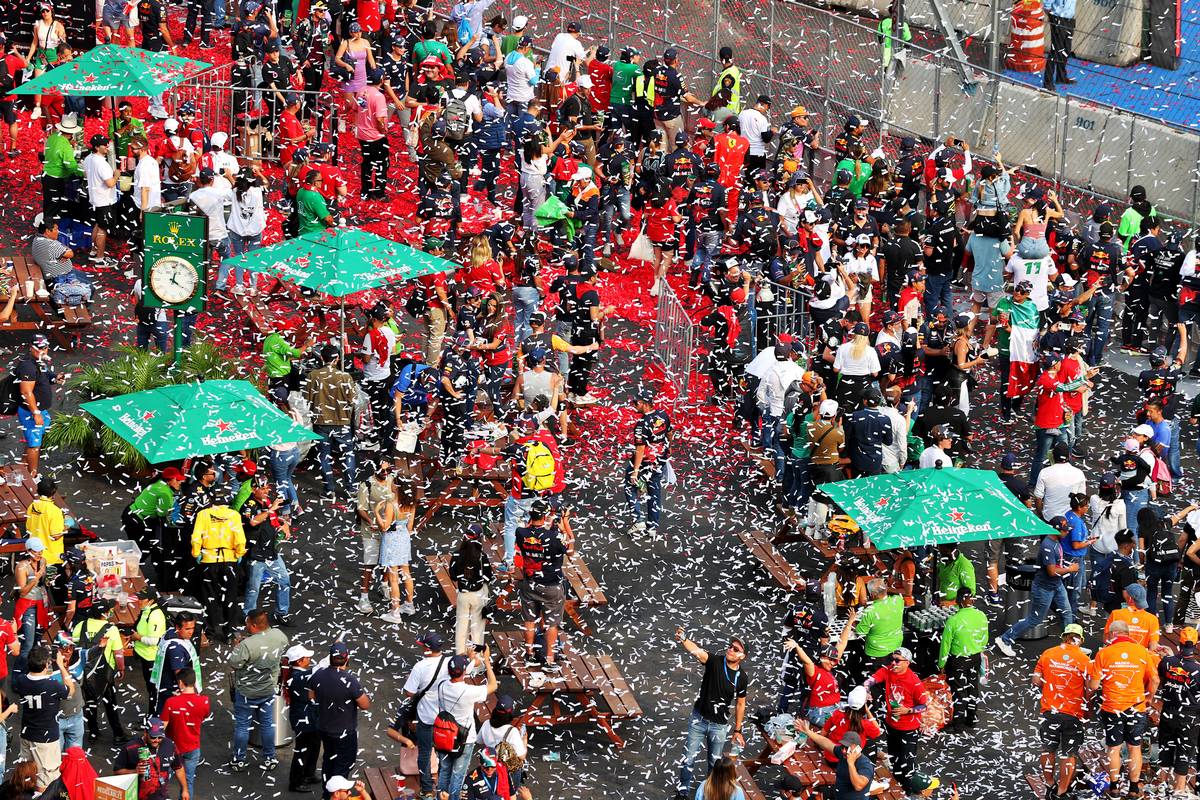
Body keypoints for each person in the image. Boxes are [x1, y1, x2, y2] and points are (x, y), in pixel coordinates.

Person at [672, 629, 749, 800]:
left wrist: (738, 730)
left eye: (736, 649)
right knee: (688, 758)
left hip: (719, 726)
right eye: (731, 646)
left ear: (742, 656)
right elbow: (697, 652)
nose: (731, 649)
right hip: (698, 720)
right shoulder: (715, 661)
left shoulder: (741, 678)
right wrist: (684, 639)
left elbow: (740, 703)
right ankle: (682, 793)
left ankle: (709, 795)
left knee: (715, 765)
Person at [1088, 619, 1158, 798]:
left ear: (1112, 634)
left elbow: (1094, 686)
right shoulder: (1142, 651)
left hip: (1112, 707)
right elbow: (1155, 680)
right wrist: (1149, 697)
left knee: (1114, 749)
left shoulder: (1104, 653)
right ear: (1128, 633)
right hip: (1136, 706)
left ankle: (1114, 788)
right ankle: (1134, 789)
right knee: (1135, 747)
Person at [995, 513, 1078, 656]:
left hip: (1056, 585)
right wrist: (1069, 569)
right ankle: (1005, 639)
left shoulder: (1056, 542)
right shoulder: (1047, 545)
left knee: (1067, 613)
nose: (1067, 532)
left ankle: (1071, 647)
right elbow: (1052, 571)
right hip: (1044, 588)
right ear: (1056, 530)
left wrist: (1065, 566)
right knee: (1034, 619)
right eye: (1065, 530)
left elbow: (1056, 567)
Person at [1032, 623, 1091, 800]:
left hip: (1050, 711)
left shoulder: (1048, 653)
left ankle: (1050, 782)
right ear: (1079, 640)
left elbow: (1036, 680)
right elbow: (1090, 688)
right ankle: (1061, 791)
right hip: (1073, 713)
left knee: (1048, 749)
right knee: (1069, 754)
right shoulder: (1084, 660)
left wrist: (1050, 686)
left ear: (1064, 636)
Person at [860, 647, 928, 793]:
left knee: (906, 762)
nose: (893, 663)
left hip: (908, 729)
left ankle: (909, 790)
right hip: (891, 724)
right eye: (892, 659)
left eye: (897, 660)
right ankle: (897, 785)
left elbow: (923, 705)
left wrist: (908, 710)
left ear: (907, 663)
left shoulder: (914, 682)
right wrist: (866, 689)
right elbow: (870, 680)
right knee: (894, 758)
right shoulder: (888, 670)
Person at [228, 609, 289, 772]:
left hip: (246, 692)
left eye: (247, 623)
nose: (246, 625)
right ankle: (269, 757)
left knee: (242, 726)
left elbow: (234, 664)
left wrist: (238, 646)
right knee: (267, 724)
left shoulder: (246, 645)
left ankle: (239, 760)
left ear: (254, 625)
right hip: (268, 690)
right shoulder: (279, 635)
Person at [515, 501, 572, 670]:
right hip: (551, 587)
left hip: (529, 584)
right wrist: (565, 525)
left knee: (530, 621)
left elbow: (528, 530)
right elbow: (570, 549)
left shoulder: (520, 532)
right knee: (551, 624)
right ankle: (549, 659)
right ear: (546, 516)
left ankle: (530, 655)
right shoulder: (553, 537)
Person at [433, 652, 497, 800]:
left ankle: (440, 797)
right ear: (463, 672)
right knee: (458, 775)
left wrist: (470, 659)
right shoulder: (468, 691)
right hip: (464, 739)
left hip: (444, 735)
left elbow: (458, 673)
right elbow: (493, 685)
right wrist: (486, 661)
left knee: (444, 770)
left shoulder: (442, 684)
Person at [308, 642, 370, 791]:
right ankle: (335, 793)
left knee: (329, 760)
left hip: (324, 729)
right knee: (342, 766)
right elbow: (365, 705)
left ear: (330, 658)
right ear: (347, 658)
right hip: (345, 733)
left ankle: (326, 790)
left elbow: (311, 696)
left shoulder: (318, 675)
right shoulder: (350, 681)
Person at [12, 646, 73, 789]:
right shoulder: (53, 685)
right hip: (46, 740)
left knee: (26, 776)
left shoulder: (21, 681)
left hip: (27, 735)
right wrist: (61, 666)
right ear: (46, 664)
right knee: (45, 782)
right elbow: (71, 690)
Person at [305, 345, 358, 500]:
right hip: (342, 422)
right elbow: (353, 400)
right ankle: (351, 489)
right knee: (347, 454)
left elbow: (307, 398)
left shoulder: (313, 375)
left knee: (323, 456)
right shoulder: (345, 377)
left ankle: (329, 490)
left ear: (322, 358)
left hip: (321, 423)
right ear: (337, 359)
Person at [240, 477, 294, 626]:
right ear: (253, 489)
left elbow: (274, 518)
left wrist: (284, 524)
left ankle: (281, 613)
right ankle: (248, 616)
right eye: (263, 489)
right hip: (255, 555)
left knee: (284, 581)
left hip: (271, 552)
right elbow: (253, 521)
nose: (267, 491)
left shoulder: (267, 502)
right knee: (253, 588)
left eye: (267, 488)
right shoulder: (248, 505)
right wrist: (270, 510)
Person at [190, 503, 246, 644]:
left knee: (209, 597)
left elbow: (196, 536)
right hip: (229, 561)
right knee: (230, 598)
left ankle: (210, 632)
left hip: (209, 560)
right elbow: (240, 538)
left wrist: (196, 553)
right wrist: (239, 553)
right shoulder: (234, 515)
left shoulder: (203, 514)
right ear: (227, 503)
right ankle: (229, 633)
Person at [1156, 626, 1200, 796]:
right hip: (1189, 715)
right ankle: (1179, 789)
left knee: (1166, 746)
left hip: (1168, 712)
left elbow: (1162, 674)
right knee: (1184, 750)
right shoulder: (1198, 669)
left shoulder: (1167, 662)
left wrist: (1170, 656)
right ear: (1195, 645)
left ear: (1180, 644)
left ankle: (1161, 784)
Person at [937, 589, 988, 730]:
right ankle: (971, 719)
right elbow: (985, 638)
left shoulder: (953, 620)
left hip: (957, 660)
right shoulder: (981, 616)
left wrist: (941, 664)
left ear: (958, 601)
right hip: (975, 657)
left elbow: (945, 645)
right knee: (973, 687)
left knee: (959, 691)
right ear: (972, 600)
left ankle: (958, 724)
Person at [625, 387, 672, 536]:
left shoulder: (642, 424)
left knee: (629, 485)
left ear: (645, 404)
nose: (634, 405)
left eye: (636, 403)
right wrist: (666, 449)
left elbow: (640, 449)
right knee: (654, 491)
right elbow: (670, 433)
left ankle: (638, 520)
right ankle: (652, 527)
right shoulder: (663, 415)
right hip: (659, 461)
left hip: (645, 462)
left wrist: (635, 471)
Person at [159, 668, 208, 799]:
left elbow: (161, 727)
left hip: (172, 749)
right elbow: (203, 714)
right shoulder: (204, 701)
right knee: (188, 782)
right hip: (193, 748)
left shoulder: (171, 702)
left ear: (180, 683)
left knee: (162, 780)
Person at [14, 335, 58, 477]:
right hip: (31, 412)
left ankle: (21, 468)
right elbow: (26, 392)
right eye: (40, 348)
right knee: (34, 446)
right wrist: (36, 413)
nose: (44, 350)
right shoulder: (27, 366)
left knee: (34, 441)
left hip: (40, 410)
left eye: (45, 347)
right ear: (31, 348)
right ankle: (33, 476)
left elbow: (46, 376)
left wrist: (56, 378)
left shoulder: (40, 361)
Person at [114, 718, 188, 800]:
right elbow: (116, 771)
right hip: (135, 796)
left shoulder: (169, 745)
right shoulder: (130, 747)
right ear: (145, 733)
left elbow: (179, 768)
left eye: (160, 737)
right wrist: (135, 771)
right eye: (153, 737)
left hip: (161, 796)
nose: (156, 740)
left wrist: (185, 790)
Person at [374, 479, 416, 622]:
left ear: (397, 487)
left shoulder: (392, 504)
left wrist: (377, 513)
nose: (391, 482)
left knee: (393, 577)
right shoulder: (411, 504)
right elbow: (410, 528)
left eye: (394, 482)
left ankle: (395, 612)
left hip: (392, 540)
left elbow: (385, 527)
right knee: (406, 572)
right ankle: (409, 605)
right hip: (404, 538)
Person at [450, 524, 494, 653]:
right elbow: (488, 577)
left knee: (461, 629)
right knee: (477, 630)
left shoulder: (457, 554)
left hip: (463, 596)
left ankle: (460, 656)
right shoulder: (482, 556)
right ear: (480, 539)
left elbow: (453, 576)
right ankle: (477, 661)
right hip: (478, 595)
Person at [799, 726, 873, 800]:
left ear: (857, 749)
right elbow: (827, 743)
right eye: (842, 747)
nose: (844, 750)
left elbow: (859, 786)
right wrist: (808, 732)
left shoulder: (865, 765)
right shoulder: (843, 753)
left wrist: (851, 764)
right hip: (838, 793)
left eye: (847, 748)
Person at [148, 613, 199, 717]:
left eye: (192, 628)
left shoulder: (170, 633)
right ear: (177, 627)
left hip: (164, 686)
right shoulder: (176, 649)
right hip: (173, 691)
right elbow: (179, 673)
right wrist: (188, 694)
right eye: (187, 629)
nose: (191, 632)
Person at [285, 643, 320, 793]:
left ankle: (308, 773)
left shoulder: (300, 673)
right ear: (299, 661)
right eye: (307, 657)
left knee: (315, 745)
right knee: (302, 750)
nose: (310, 658)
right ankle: (295, 782)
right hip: (303, 720)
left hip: (312, 717)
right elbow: (318, 669)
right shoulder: (297, 676)